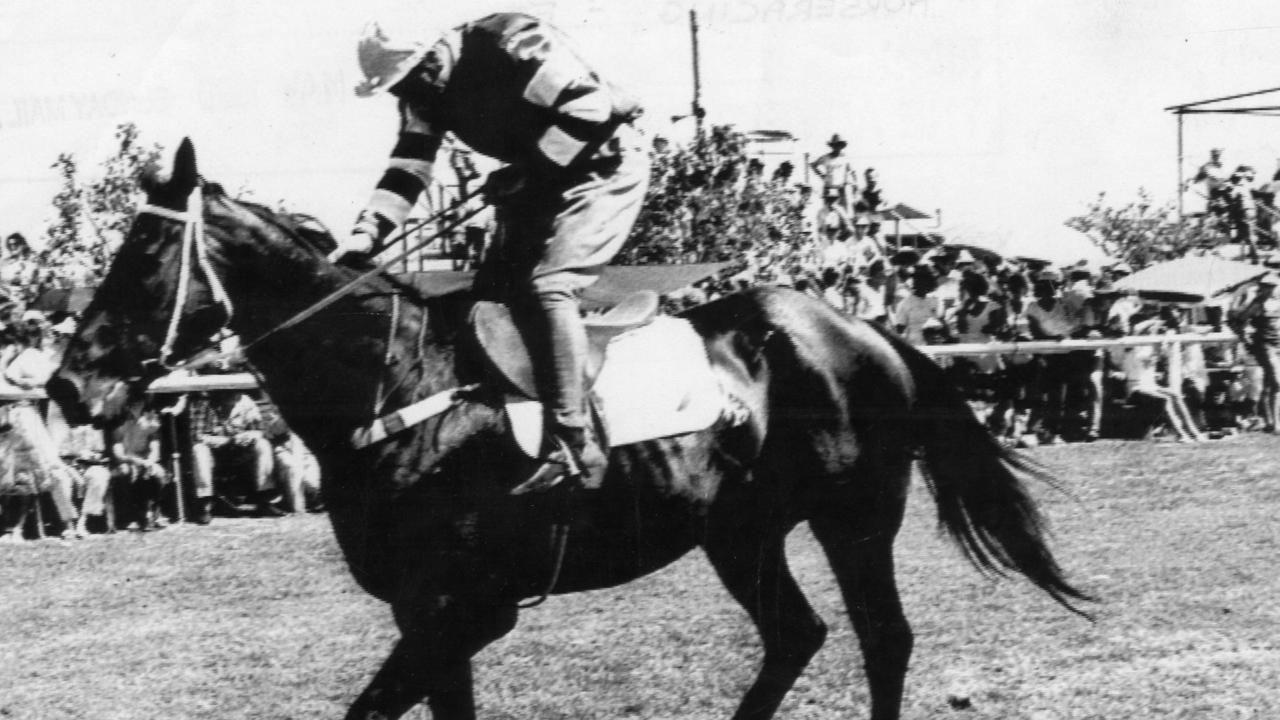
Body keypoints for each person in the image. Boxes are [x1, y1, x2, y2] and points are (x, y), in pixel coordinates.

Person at [334, 14, 649, 487]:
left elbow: (590, 107)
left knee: (550, 287)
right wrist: (366, 235)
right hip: (540, 179)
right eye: (396, 90)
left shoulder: (508, 41)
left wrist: (528, 168)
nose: (407, 98)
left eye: (408, 83)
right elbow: (409, 167)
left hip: (603, 168)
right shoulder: (423, 90)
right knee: (485, 305)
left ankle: (572, 439)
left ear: (432, 56)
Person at [189, 390, 280, 520]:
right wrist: (225, 441)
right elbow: (197, 436)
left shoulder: (246, 402)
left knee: (263, 444)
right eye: (227, 391)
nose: (232, 395)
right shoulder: (204, 403)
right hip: (215, 452)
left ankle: (264, 499)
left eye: (235, 391)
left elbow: (259, 430)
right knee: (198, 449)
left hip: (240, 451)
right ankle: (205, 503)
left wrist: (249, 435)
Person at [1230, 272, 1280, 431]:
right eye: (1267, 287)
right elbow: (1237, 320)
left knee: (1269, 384)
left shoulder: (1276, 302)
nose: (1270, 289)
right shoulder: (1257, 304)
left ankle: (1270, 422)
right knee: (1277, 383)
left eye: (1272, 286)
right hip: (1265, 345)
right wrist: (1244, 338)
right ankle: (1275, 423)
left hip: (1277, 344)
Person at [809, 134, 856, 214]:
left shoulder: (845, 158)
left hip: (841, 189)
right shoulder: (825, 157)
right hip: (829, 188)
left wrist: (855, 184)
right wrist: (821, 175)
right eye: (835, 145)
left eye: (839, 145)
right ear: (832, 146)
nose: (837, 147)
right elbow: (813, 165)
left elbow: (852, 171)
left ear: (841, 146)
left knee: (843, 213)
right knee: (828, 212)